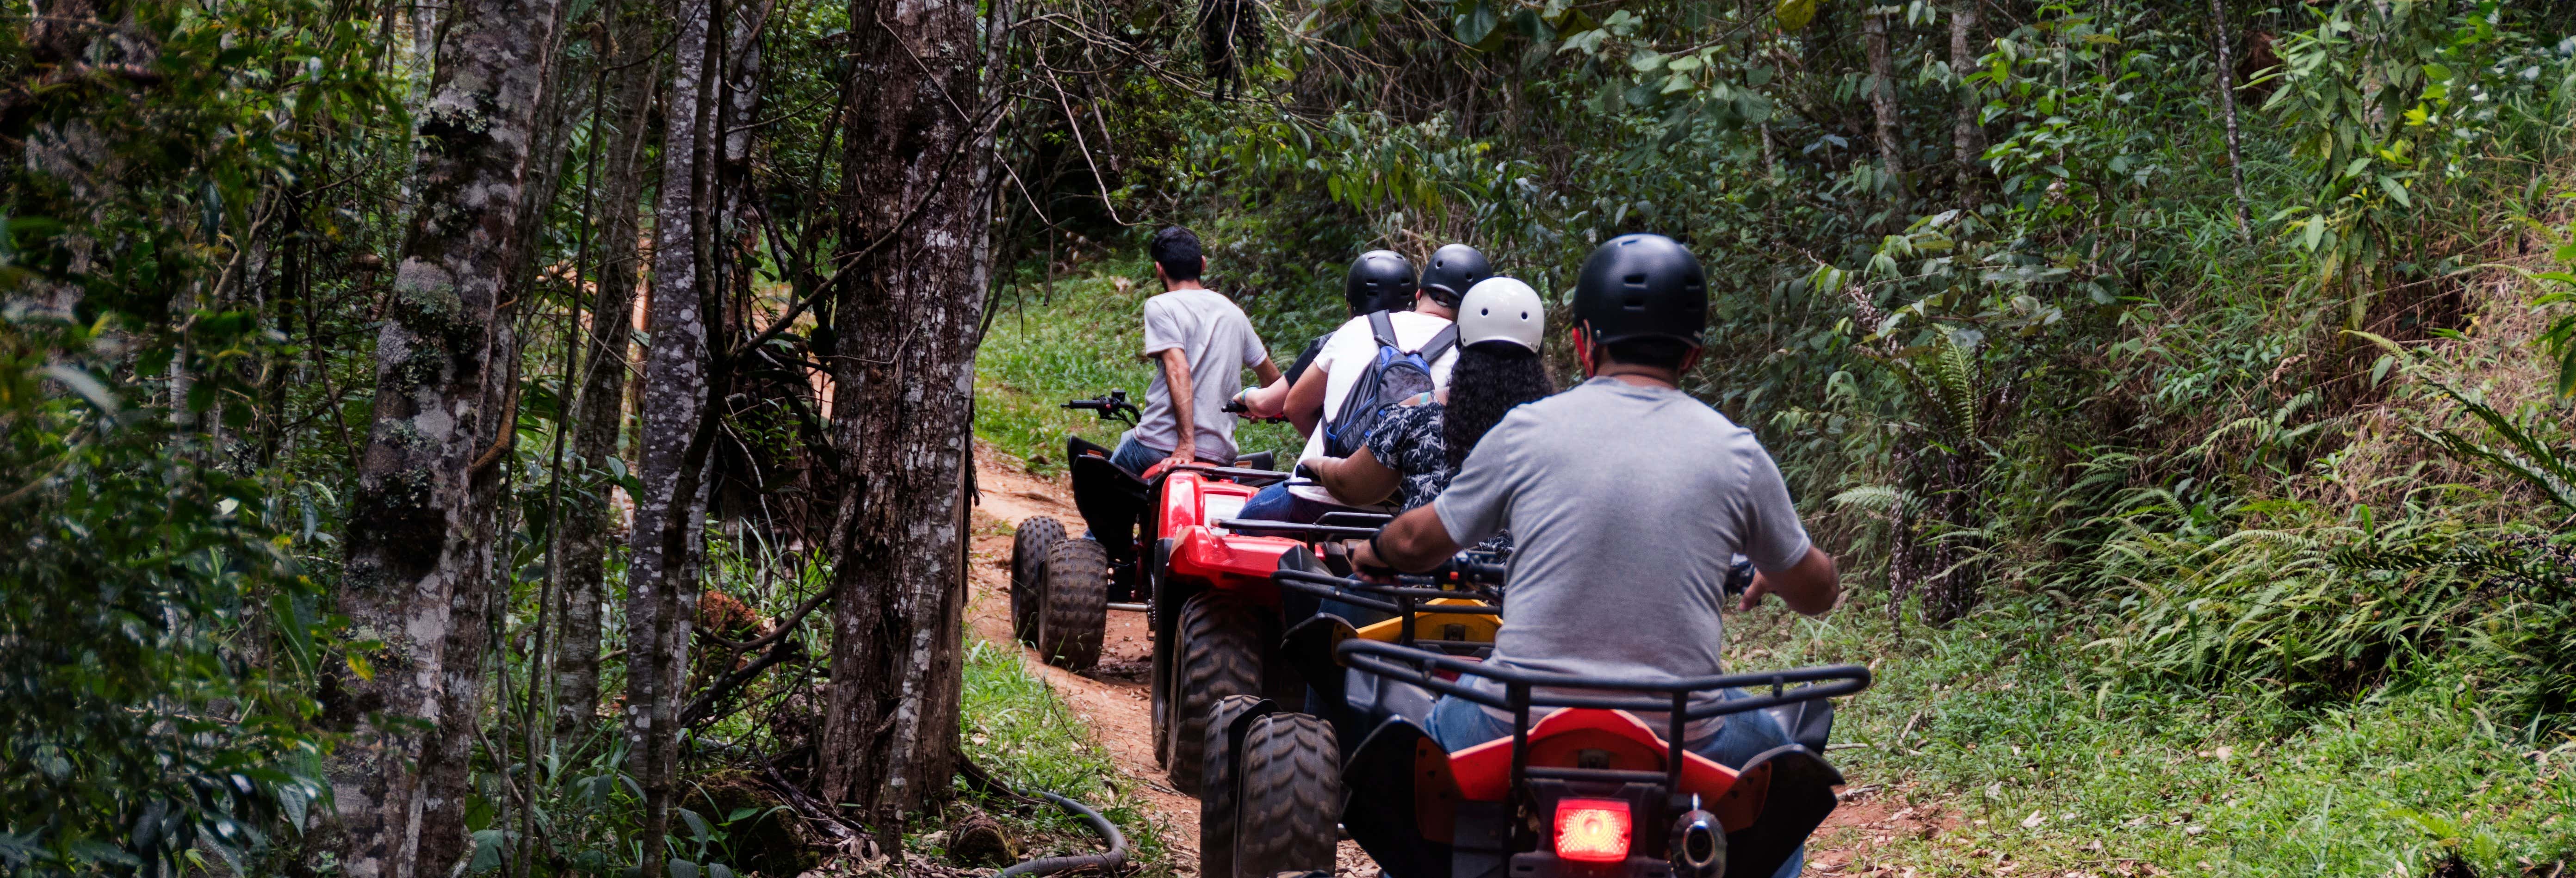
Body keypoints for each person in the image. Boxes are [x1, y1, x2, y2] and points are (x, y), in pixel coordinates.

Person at [1348, 233, 1841, 877]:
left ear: (1583, 343)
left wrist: (1373, 548)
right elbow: (1818, 589)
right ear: (1693, 354)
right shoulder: (1735, 452)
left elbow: (1418, 541)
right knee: (1781, 801)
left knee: (1419, 818)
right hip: (1681, 730)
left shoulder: (1528, 429)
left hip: (1513, 715)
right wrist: (1782, 570)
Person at [1238, 244, 1488, 520]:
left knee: (1242, 521)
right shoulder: (1474, 361)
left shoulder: (1358, 327)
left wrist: (1344, 462)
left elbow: (1295, 406)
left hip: (1317, 500)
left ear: (1418, 294)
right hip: (1404, 518)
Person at [1305, 277, 1553, 532]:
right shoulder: (1555, 432)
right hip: (1521, 571)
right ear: (1538, 350)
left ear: (1460, 342)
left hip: (1426, 562)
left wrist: (1321, 465)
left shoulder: (1418, 414)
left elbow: (1352, 486)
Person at [1107, 226, 1283, 478]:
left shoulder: (1161, 306)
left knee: (1105, 484)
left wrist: (1187, 445)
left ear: (1160, 269)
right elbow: (1273, 379)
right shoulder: (1233, 312)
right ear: (1203, 265)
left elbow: (1178, 370)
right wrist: (1263, 406)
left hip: (1157, 446)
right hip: (1220, 456)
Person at [1233, 249, 1416, 432]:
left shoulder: (1335, 342)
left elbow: (1268, 404)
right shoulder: (1432, 337)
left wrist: (1247, 395)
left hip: (1348, 456)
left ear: (1350, 304)